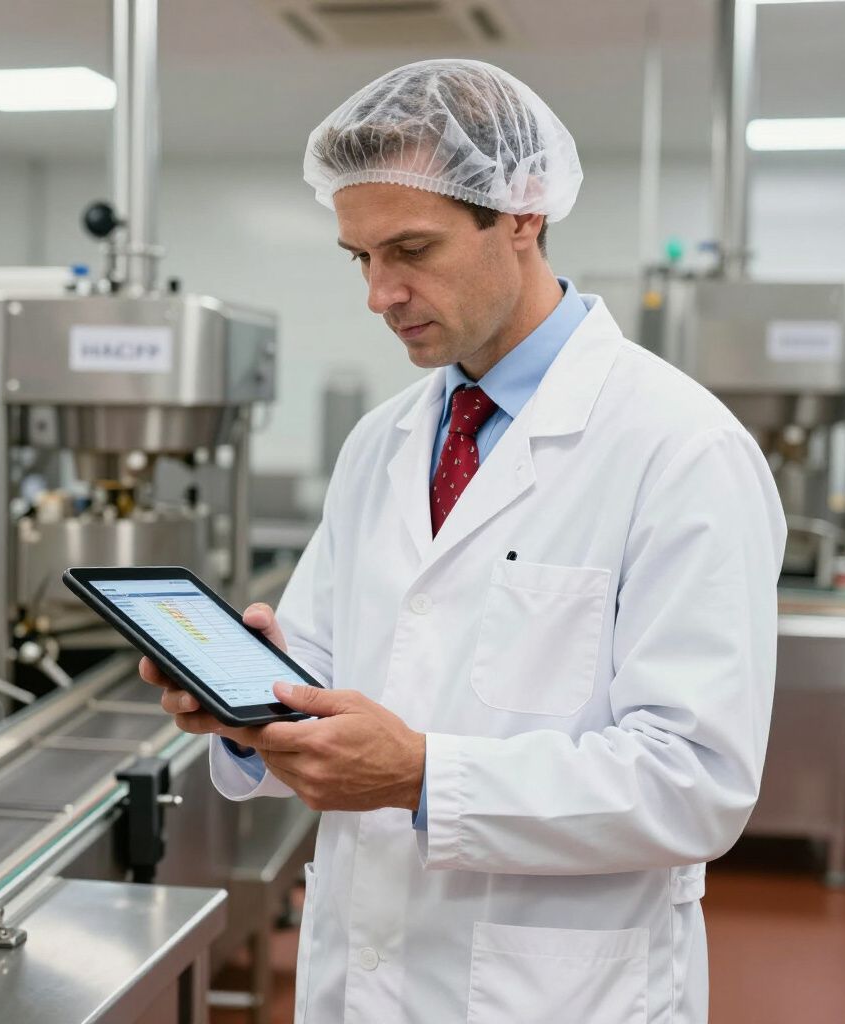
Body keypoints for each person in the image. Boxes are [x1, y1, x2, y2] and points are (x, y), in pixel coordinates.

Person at [141, 59, 786, 1024]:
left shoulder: (677, 446)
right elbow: (330, 658)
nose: (380, 293)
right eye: (358, 257)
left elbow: (696, 781)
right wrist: (255, 700)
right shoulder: (385, 442)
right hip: (363, 977)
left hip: (557, 992)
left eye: (411, 248)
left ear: (522, 214)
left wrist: (423, 775)